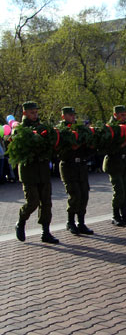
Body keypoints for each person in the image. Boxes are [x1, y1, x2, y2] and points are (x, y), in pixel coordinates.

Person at [15, 101, 59, 244]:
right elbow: (18, 148)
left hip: (43, 171)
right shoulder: (20, 130)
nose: (35, 115)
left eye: (36, 112)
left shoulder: (43, 128)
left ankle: (45, 232)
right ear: (25, 113)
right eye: (31, 112)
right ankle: (21, 221)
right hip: (29, 172)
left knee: (46, 202)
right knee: (32, 201)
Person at [58, 107, 94, 235]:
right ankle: (70, 222)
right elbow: (59, 152)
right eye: (69, 115)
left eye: (73, 115)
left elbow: (87, 150)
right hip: (69, 166)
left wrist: (89, 147)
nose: (73, 117)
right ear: (63, 116)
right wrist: (72, 149)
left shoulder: (79, 129)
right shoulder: (60, 131)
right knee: (75, 195)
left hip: (81, 166)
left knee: (84, 194)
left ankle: (81, 222)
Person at [103, 105, 126, 226]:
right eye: (122, 115)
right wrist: (120, 145)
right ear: (115, 115)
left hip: (124, 163)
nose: (124, 117)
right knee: (119, 191)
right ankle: (115, 215)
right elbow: (105, 148)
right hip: (113, 163)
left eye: (125, 115)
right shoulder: (109, 128)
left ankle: (124, 215)